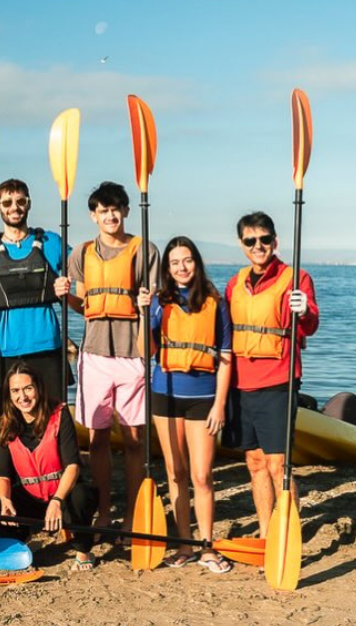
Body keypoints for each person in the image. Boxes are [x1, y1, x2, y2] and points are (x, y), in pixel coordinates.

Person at [61, 181, 159, 531]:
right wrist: (65, 296)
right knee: (98, 438)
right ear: (94, 215)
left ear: (127, 211)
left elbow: (155, 305)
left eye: (116, 209)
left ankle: (132, 515)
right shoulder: (81, 253)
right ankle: (103, 512)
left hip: (133, 355)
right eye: (103, 210)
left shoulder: (144, 250)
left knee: (134, 440)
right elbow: (83, 304)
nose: (110, 215)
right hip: (94, 356)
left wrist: (148, 302)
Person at [137, 236, 233, 574]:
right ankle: (184, 544)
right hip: (165, 394)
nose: (182, 267)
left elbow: (226, 358)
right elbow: (144, 351)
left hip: (202, 397)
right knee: (175, 472)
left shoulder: (215, 303)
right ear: (167, 268)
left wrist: (220, 405)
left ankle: (206, 546)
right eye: (175, 262)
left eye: (187, 260)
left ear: (197, 262)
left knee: (201, 475)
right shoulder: (159, 303)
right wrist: (143, 313)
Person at [224, 212, 319, 538]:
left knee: (278, 464)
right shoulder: (234, 283)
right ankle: (266, 533)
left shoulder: (296, 279)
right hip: (241, 383)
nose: (258, 245)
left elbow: (310, 325)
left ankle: (287, 533)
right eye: (250, 240)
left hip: (278, 380)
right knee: (254, 462)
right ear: (242, 244)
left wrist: (303, 310)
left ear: (275, 241)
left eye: (264, 239)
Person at [0, 363, 98, 571]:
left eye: (28, 388)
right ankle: (21, 537)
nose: (23, 397)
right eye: (15, 391)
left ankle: (83, 551)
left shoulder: (59, 415)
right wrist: (5, 499)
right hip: (31, 499)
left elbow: (73, 466)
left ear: (38, 388)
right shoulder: (5, 424)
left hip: (63, 497)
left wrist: (57, 500)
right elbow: (2, 475)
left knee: (81, 496)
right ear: (9, 395)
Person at [0, 179, 71, 403]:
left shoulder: (52, 242)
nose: (14, 207)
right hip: (6, 348)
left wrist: (66, 286)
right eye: (7, 203)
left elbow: (81, 269)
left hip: (47, 345)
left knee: (53, 414)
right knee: (10, 417)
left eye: (20, 201)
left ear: (29, 204)